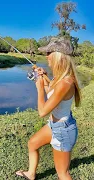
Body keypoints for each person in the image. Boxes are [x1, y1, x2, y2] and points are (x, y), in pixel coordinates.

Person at [15, 37, 82, 180]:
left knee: (62, 173)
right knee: (32, 143)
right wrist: (44, 78)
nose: (46, 57)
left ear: (58, 56)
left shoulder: (65, 82)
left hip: (63, 130)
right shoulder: (60, 78)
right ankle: (31, 174)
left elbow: (42, 111)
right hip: (54, 125)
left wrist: (39, 89)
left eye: (49, 53)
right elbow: (51, 92)